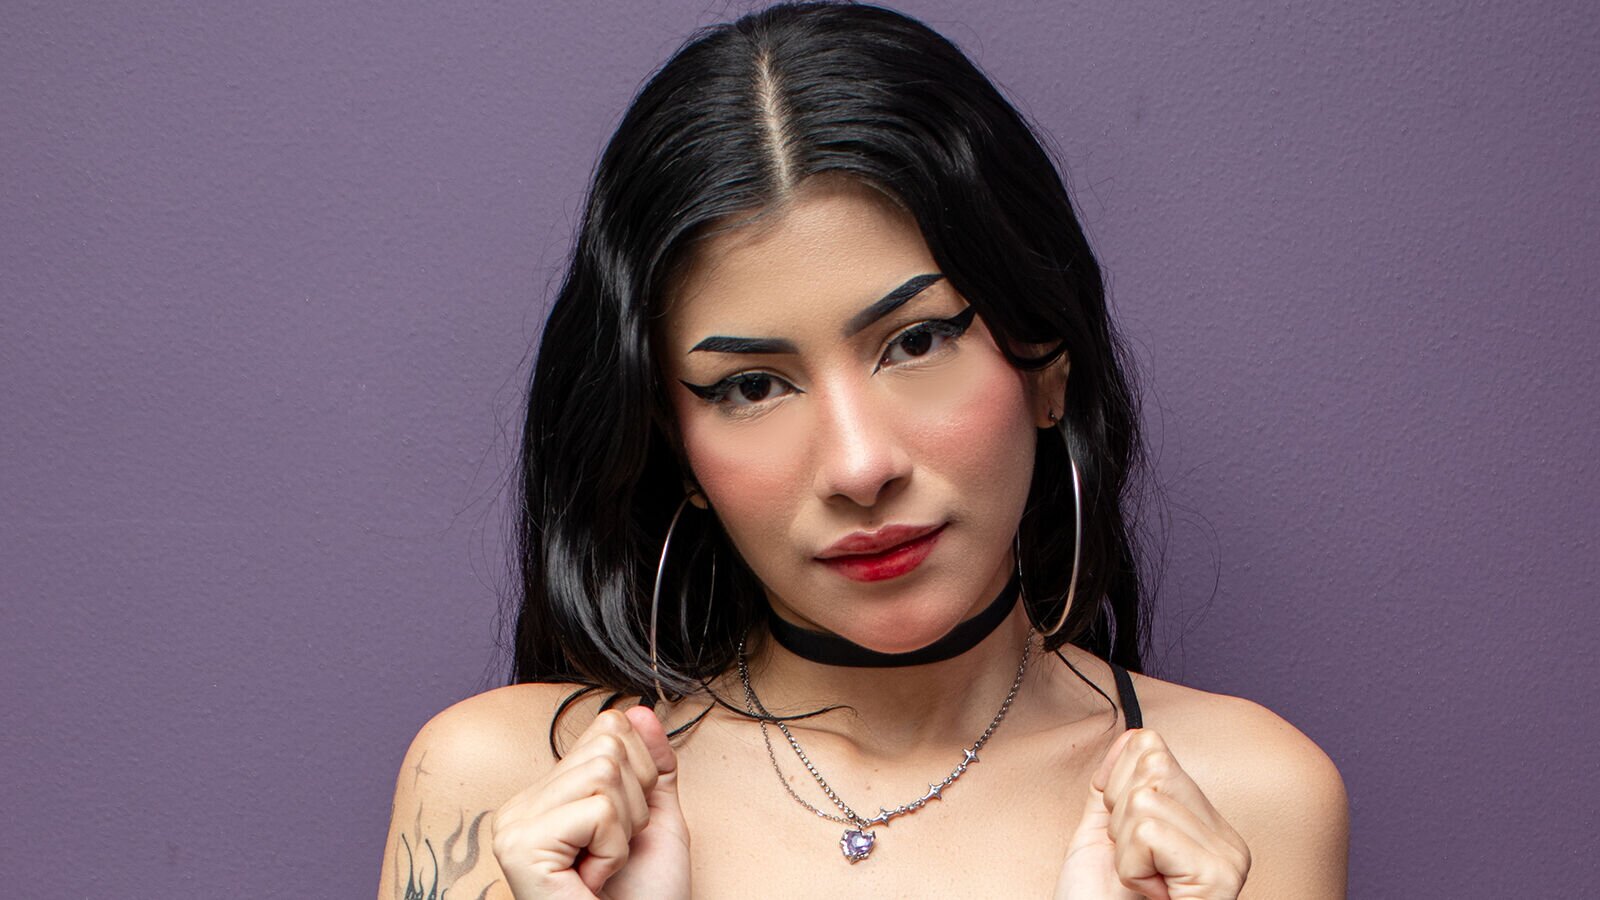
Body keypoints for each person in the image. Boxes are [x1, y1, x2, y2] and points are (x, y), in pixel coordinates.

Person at [377, 3, 1349, 897]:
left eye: (916, 341)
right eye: (751, 386)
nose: (859, 466)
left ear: (1047, 361)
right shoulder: (504, 792)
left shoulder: (1242, 802)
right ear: (674, 445)